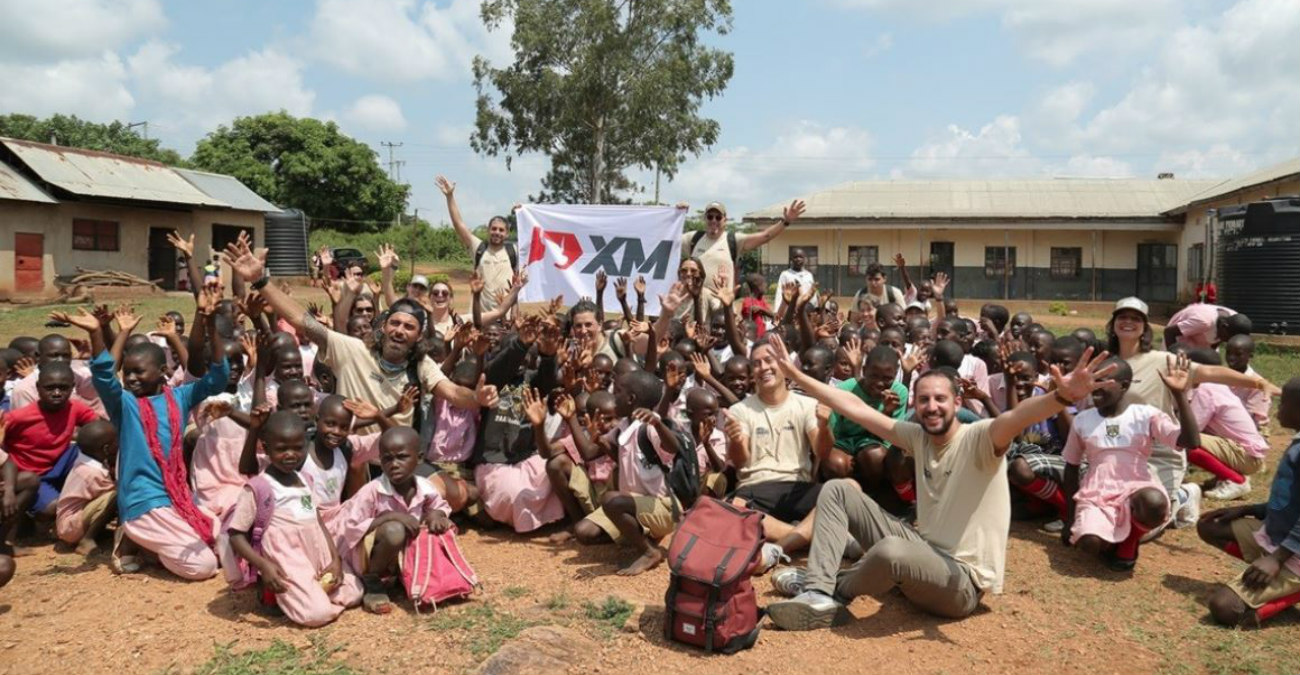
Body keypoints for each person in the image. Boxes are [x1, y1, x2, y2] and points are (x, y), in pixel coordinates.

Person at [762, 334, 1115, 628]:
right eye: (924, 400)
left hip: (960, 583)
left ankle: (835, 589)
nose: (932, 407)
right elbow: (856, 408)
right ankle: (819, 593)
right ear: (913, 404)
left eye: (940, 399)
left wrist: (1062, 397)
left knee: (890, 551)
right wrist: (797, 375)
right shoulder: (917, 437)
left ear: (957, 402)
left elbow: (1018, 415)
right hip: (922, 552)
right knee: (838, 490)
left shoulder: (981, 438)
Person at [222, 238, 498, 429]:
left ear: (419, 335)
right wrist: (261, 280)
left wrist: (477, 399)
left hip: (398, 451)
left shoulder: (421, 364)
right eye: (395, 323)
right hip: (351, 452)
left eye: (409, 327)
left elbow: (451, 392)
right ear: (385, 326)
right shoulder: (352, 349)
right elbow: (300, 319)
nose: (400, 330)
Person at [83, 296, 231, 581]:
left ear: (162, 372)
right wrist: (97, 333)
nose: (131, 378)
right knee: (204, 567)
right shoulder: (124, 405)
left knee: (220, 537)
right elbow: (104, 377)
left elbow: (217, 378)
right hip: (144, 500)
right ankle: (135, 539)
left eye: (139, 371)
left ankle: (143, 541)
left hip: (176, 496)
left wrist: (211, 324)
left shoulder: (180, 397)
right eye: (128, 373)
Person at [1105, 297, 1278, 532]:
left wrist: (1258, 382)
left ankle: (1184, 495)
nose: (1128, 322)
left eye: (1135, 319)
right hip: (1115, 448)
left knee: (1140, 526)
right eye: (1122, 317)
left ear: (1145, 328)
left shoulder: (1162, 360)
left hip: (1158, 453)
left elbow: (1209, 371)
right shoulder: (1104, 362)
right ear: (1113, 324)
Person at [220, 410, 360, 627]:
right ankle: (288, 596)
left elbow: (318, 522)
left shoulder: (306, 480)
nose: (290, 454)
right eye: (281, 448)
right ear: (266, 448)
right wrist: (264, 566)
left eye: (297, 447)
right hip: (288, 560)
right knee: (317, 615)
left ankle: (307, 595)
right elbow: (236, 534)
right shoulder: (259, 487)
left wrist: (335, 559)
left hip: (317, 554)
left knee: (355, 590)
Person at [1062, 355, 1199, 570]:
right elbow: (1071, 467)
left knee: (1153, 503)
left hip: (1137, 486)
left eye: (1103, 382)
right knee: (1089, 544)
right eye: (1093, 381)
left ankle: (1129, 541)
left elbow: (1191, 441)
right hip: (1097, 492)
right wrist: (1069, 518)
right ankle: (1108, 539)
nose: (1094, 387)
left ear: (1124, 386)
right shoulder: (1082, 420)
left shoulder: (1146, 415)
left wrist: (1179, 396)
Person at [571, 370, 701, 576]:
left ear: (631, 399)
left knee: (611, 500)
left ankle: (649, 552)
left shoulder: (650, 427)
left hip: (664, 507)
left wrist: (657, 423)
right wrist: (576, 423)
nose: (614, 397)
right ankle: (640, 536)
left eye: (618, 392)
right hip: (635, 504)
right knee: (584, 532)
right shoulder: (623, 426)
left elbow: (673, 447)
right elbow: (588, 453)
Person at [1196, 377, 1300, 627]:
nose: (1277, 410)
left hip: (1292, 553)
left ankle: (1287, 587)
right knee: (1211, 524)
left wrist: (1276, 559)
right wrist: (1251, 509)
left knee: (1225, 609)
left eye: (1283, 404)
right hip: (1275, 536)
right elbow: (1291, 499)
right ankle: (1265, 573)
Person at [725, 338, 833, 564]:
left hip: (798, 487)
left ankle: (780, 546)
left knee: (847, 489)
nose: (763, 367)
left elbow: (821, 451)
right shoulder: (739, 410)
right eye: (756, 364)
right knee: (734, 510)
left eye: (768, 360)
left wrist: (824, 426)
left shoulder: (806, 404)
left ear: (783, 364)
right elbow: (741, 461)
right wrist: (734, 440)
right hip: (755, 489)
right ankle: (816, 537)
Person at [328, 426, 454, 614]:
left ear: (419, 458)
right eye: (387, 458)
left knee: (443, 526)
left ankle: (409, 575)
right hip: (364, 556)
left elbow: (441, 505)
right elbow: (351, 528)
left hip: (398, 555)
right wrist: (390, 516)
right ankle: (373, 582)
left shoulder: (425, 487)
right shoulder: (373, 491)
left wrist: (437, 514)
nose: (394, 464)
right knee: (395, 530)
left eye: (402, 457)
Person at [2, 362, 100, 542]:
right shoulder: (19, 417)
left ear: (72, 387)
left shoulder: (75, 408)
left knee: (91, 445)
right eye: (50, 388)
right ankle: (34, 518)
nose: (56, 393)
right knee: (53, 507)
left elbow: (99, 427)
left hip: (57, 465)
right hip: (30, 475)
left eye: (63, 388)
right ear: (38, 388)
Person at [683, 200, 806, 309]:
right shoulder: (692, 238)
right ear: (705, 218)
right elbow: (667, 239)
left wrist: (786, 221)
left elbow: (765, 236)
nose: (714, 220)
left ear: (725, 220)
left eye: (718, 217)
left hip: (721, 306)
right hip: (694, 303)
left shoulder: (733, 240)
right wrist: (676, 213)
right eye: (710, 217)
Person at [437, 175, 516, 312]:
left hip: (506, 319)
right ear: (488, 230)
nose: (497, 232)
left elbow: (535, 238)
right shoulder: (479, 248)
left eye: (501, 230)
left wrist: (523, 212)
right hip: (480, 317)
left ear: (507, 233)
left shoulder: (514, 251)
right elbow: (459, 225)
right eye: (494, 229)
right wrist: (450, 196)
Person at [55, 420, 118, 556]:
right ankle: (86, 539)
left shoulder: (86, 462)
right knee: (116, 496)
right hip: (70, 527)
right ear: (106, 449)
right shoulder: (92, 473)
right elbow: (114, 493)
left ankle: (95, 533)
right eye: (116, 440)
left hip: (71, 523)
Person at [1224, 334, 1270, 433]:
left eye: (1238, 354)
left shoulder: (1257, 385)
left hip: (1251, 431)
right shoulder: (1222, 377)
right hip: (1226, 425)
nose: (1231, 358)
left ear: (1250, 355)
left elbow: (1251, 419)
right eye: (1228, 353)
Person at [1163, 302, 1248, 350]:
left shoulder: (1235, 320)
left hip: (1201, 341)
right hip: (1177, 339)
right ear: (1223, 327)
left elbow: (1215, 344)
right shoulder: (1204, 321)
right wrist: (1174, 359)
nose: (1228, 342)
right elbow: (1169, 332)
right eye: (1228, 339)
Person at [773, 249, 815, 317]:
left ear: (805, 259)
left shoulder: (809, 275)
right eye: (795, 257)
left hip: (806, 309)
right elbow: (779, 292)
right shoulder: (785, 274)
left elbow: (812, 294)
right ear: (791, 259)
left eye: (801, 257)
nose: (798, 259)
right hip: (790, 309)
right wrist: (776, 311)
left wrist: (814, 308)